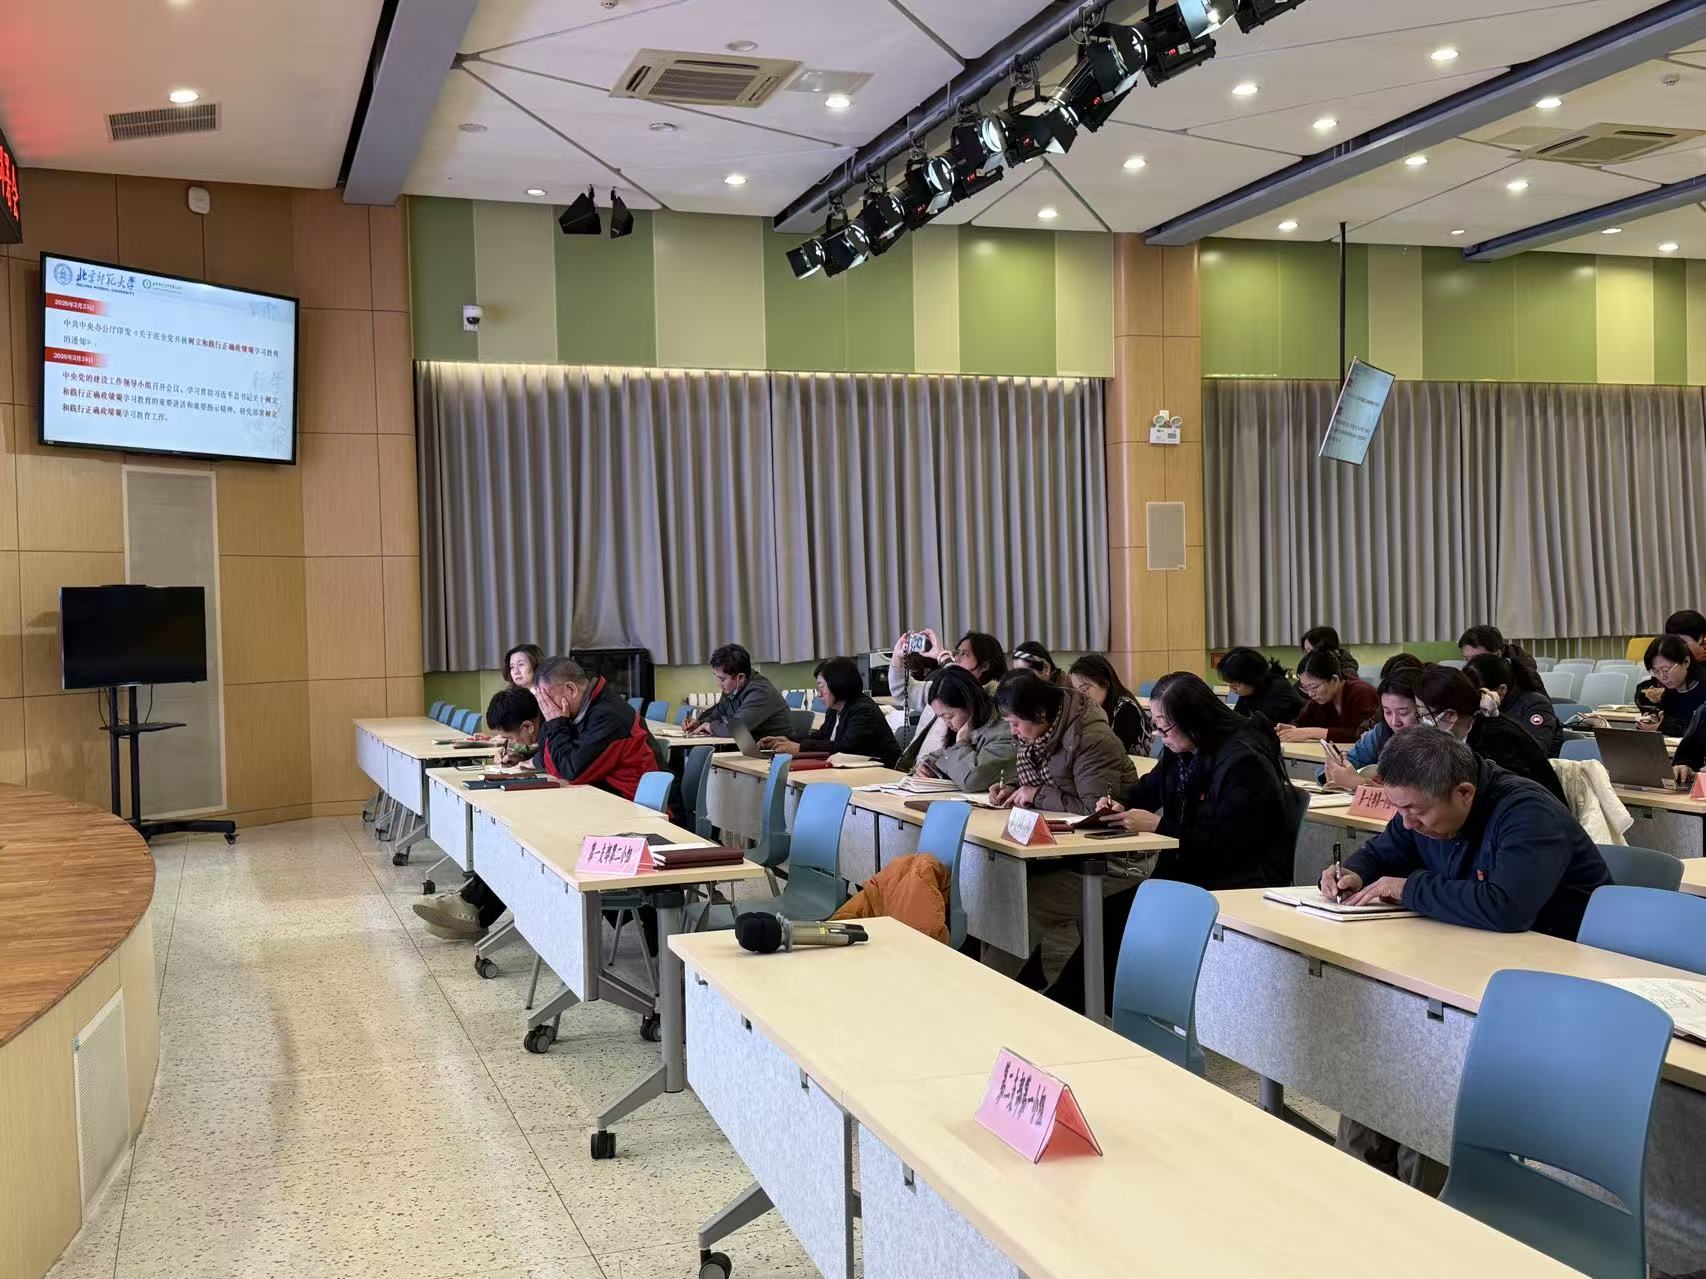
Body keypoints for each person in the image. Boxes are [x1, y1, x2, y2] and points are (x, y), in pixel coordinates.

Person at [1321, 726, 1612, 1189]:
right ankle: (1363, 1185)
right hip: (1468, 960)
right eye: (1399, 809)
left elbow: (1505, 907)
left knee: (1428, 1050)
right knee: (1386, 1041)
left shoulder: (1527, 813)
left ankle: (1427, 1193)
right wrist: (1355, 871)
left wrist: (1409, 888)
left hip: (1550, 980)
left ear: (1464, 792)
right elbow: (1386, 850)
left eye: (1416, 811)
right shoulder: (1423, 804)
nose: (1408, 823)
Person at [414, 664, 663, 940]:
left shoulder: (607, 715)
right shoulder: (586, 710)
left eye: (547, 699)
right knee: (521, 830)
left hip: (636, 822)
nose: (545, 708)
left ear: (570, 690)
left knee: (532, 836)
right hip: (606, 805)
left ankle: (474, 909)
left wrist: (557, 724)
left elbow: (571, 769)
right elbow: (551, 757)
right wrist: (540, 747)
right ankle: (472, 907)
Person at [987, 670, 1141, 988]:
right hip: (1064, 850)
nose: (1012, 732)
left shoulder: (1091, 738)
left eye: (1015, 723)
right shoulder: (1040, 736)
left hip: (1113, 857)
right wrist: (1014, 788)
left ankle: (986, 993)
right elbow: (1054, 780)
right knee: (997, 886)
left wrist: (1034, 794)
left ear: (1040, 714)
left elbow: (1094, 810)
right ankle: (1012, 986)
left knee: (1022, 903)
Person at [1098, 673, 1296, 889]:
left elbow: (1231, 844)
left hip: (1236, 878)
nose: (1160, 735)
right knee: (1111, 900)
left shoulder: (1244, 761)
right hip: (1188, 868)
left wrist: (1159, 826)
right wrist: (1119, 804)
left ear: (1193, 720)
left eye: (1165, 727)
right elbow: (1148, 789)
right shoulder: (1182, 748)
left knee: (1119, 903)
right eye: (1156, 725)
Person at [1412, 665, 1566, 804]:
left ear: (1450, 715)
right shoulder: (1467, 732)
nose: (1423, 721)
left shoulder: (1496, 741)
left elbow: (1511, 798)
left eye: (1424, 714)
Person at [895, 631, 1008, 774]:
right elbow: (903, 690)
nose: (956, 658)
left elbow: (973, 774)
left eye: (964, 654)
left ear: (985, 665)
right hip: (921, 776)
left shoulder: (995, 712)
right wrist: (930, 765)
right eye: (956, 653)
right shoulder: (941, 688)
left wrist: (942, 656)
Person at [760, 656, 899, 765]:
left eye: (822, 687)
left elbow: (844, 747)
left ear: (838, 684)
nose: (819, 694)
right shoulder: (834, 709)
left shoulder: (863, 710)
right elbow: (821, 737)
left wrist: (800, 747)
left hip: (881, 773)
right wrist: (788, 740)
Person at [911, 665, 1015, 791]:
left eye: (949, 716)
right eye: (942, 718)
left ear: (970, 704)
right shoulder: (973, 729)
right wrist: (930, 765)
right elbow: (947, 752)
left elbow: (973, 779)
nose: (947, 724)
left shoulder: (1007, 730)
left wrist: (961, 742)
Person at [1321, 662, 1423, 791]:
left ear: (1423, 708)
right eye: (1387, 712)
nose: (1394, 722)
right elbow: (1351, 760)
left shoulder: (1436, 744)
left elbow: (1420, 796)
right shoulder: (1382, 732)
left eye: (1403, 713)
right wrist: (1336, 768)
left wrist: (1360, 784)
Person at [686, 644, 793, 739]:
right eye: (716, 677)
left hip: (774, 750)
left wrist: (710, 727)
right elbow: (718, 714)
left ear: (740, 678)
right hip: (749, 747)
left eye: (722, 679)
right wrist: (699, 723)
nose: (718, 684)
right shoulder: (732, 688)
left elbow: (737, 729)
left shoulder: (760, 692)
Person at [1465, 652, 1561, 757]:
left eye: (1480, 694)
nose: (1474, 701)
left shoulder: (1536, 705)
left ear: (1501, 690)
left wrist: (1495, 717)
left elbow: (1535, 753)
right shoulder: (1474, 709)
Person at [1277, 647, 1378, 744]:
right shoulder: (1319, 699)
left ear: (1334, 680)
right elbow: (1302, 722)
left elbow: (1362, 733)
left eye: (1314, 687)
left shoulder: (1361, 692)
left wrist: (1310, 732)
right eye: (1305, 688)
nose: (1311, 694)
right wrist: (1291, 729)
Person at [1067, 653, 1153, 754]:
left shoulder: (1126, 709)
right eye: (1076, 692)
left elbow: (1115, 753)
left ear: (1105, 682)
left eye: (1085, 689)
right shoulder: (1092, 710)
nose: (1081, 697)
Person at [1217, 647, 1305, 725]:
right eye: (1229, 683)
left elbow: (1261, 726)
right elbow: (1238, 718)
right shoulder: (1250, 690)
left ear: (1251, 677)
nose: (1232, 688)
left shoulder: (1277, 688)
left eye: (1236, 683)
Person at [1639, 634, 1706, 737]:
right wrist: (1654, 719)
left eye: (1666, 670)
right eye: (1655, 671)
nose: (1662, 677)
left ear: (1686, 662)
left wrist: (1664, 727)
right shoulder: (1669, 693)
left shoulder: (1702, 689)